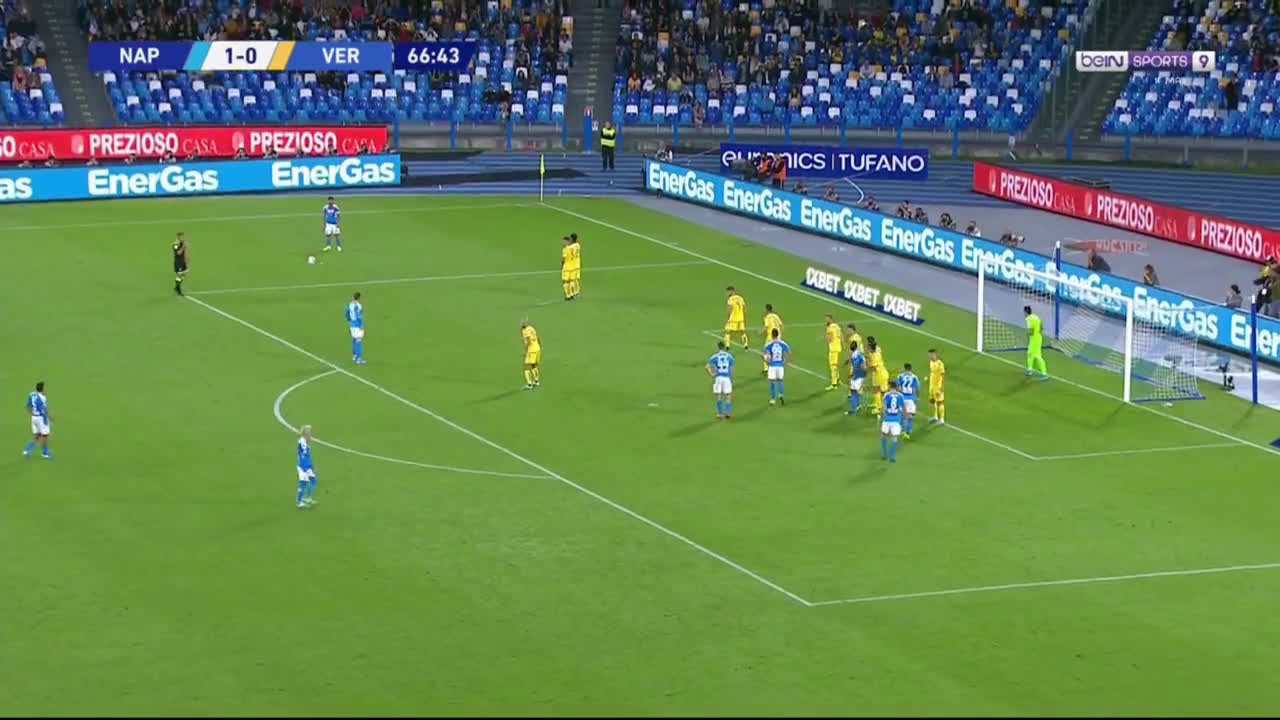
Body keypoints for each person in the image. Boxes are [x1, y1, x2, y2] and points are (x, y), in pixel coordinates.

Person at [706, 341, 735, 419]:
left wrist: (712, 374)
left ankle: (720, 414)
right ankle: (727, 412)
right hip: (727, 377)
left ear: (718, 347)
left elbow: (707, 367)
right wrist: (731, 378)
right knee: (728, 395)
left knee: (718, 395)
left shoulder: (714, 356)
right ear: (724, 347)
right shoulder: (730, 356)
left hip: (718, 377)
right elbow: (731, 369)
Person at [762, 328, 790, 405]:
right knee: (780, 380)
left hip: (772, 366)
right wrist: (786, 362)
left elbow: (767, 357)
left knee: (772, 382)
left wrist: (765, 360)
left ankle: (773, 399)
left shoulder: (768, 345)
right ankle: (781, 394)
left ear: (771, 335)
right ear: (778, 334)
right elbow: (789, 352)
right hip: (780, 366)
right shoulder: (783, 344)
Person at [23, 381, 50, 460]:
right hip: (41, 418)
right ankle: (45, 453)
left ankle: (27, 451)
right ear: (42, 389)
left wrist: (31, 414)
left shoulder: (32, 394)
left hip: (34, 417)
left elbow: (28, 405)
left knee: (37, 435)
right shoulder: (43, 397)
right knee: (45, 436)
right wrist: (49, 418)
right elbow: (44, 410)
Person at [880, 380, 905, 463]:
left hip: (887, 419)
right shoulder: (900, 396)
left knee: (883, 436)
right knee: (894, 438)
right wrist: (903, 420)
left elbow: (883, 408)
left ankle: (884, 454)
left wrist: (881, 417)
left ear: (890, 386)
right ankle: (893, 457)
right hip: (896, 420)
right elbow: (903, 409)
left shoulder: (886, 395)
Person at [296, 424, 318, 509]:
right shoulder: (302, 443)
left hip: (307, 465)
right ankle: (299, 502)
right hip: (303, 466)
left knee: (313, 480)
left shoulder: (304, 442)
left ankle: (308, 498)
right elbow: (303, 456)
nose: (311, 436)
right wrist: (306, 467)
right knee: (303, 483)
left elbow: (306, 455)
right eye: (309, 434)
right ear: (306, 435)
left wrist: (311, 465)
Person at [897, 363, 920, 439]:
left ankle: (902, 430)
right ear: (911, 369)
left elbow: (899, 388)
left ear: (904, 368)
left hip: (903, 397)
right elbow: (916, 388)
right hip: (910, 398)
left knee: (902, 415)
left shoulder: (900, 376)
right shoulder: (914, 377)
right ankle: (908, 432)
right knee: (910, 416)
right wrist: (917, 398)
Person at [866, 336, 888, 415]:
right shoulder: (876, 351)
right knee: (881, 390)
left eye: (868, 346)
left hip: (879, 374)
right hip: (883, 372)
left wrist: (867, 365)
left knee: (877, 390)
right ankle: (877, 403)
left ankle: (879, 407)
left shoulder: (874, 355)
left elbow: (873, 367)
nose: (867, 347)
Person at [1024, 305, 1048, 380]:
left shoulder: (1028, 319)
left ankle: (1044, 374)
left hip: (1034, 340)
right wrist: (1038, 333)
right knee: (1029, 353)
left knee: (1037, 356)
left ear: (1025, 312)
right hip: (1038, 338)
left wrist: (1027, 333)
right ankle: (1030, 370)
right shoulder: (1035, 316)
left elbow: (1031, 332)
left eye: (1024, 312)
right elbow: (1042, 326)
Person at [723, 286, 748, 350]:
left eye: (728, 292)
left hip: (733, 319)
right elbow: (744, 308)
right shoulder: (740, 298)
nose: (727, 293)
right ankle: (746, 345)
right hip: (741, 318)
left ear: (731, 291)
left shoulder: (730, 299)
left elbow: (729, 309)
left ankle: (727, 346)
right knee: (742, 332)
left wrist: (727, 318)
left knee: (727, 331)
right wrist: (744, 317)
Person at [761, 303, 783, 374]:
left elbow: (766, 326)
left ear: (767, 310)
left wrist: (760, 332)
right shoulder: (776, 316)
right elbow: (781, 325)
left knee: (766, 351)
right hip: (778, 336)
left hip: (771, 336)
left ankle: (766, 368)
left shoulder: (767, 317)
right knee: (775, 352)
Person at [823, 314, 843, 389]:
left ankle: (834, 384)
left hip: (833, 349)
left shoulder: (830, 328)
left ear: (830, 319)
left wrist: (824, 339)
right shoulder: (837, 326)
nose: (826, 320)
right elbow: (841, 336)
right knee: (835, 365)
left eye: (827, 319)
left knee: (833, 366)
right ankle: (838, 379)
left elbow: (830, 338)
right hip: (838, 348)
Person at [521, 319, 542, 389]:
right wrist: (539, 346)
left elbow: (529, 341)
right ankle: (536, 381)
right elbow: (537, 337)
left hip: (531, 350)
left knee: (526, 367)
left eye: (523, 322)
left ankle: (529, 384)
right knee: (534, 365)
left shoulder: (525, 331)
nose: (522, 323)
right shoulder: (531, 328)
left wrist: (525, 351)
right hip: (537, 348)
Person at [346, 292, 366, 365]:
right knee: (359, 341)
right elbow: (358, 315)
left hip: (352, 325)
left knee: (354, 340)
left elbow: (346, 313)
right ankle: (359, 359)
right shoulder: (358, 306)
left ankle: (354, 356)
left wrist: (349, 320)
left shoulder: (350, 304)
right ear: (359, 298)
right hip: (357, 325)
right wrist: (361, 325)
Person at [847, 339, 866, 415]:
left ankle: (853, 410)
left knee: (853, 392)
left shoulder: (855, 355)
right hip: (858, 375)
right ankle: (858, 405)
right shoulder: (858, 353)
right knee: (855, 391)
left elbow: (862, 365)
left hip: (858, 376)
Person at [560, 233, 581, 300]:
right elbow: (577, 242)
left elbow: (563, 259)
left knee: (565, 281)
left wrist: (561, 266)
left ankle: (568, 295)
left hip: (567, 267)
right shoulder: (577, 245)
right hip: (575, 265)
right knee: (573, 280)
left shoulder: (565, 249)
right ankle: (574, 293)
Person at [172, 231, 189, 296]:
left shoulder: (182, 243)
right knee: (179, 275)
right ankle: (178, 290)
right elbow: (178, 253)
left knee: (184, 274)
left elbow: (184, 252)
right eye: (182, 237)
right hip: (178, 262)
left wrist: (186, 258)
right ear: (178, 237)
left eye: (183, 237)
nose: (183, 238)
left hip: (183, 261)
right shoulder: (175, 244)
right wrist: (183, 247)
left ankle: (176, 286)